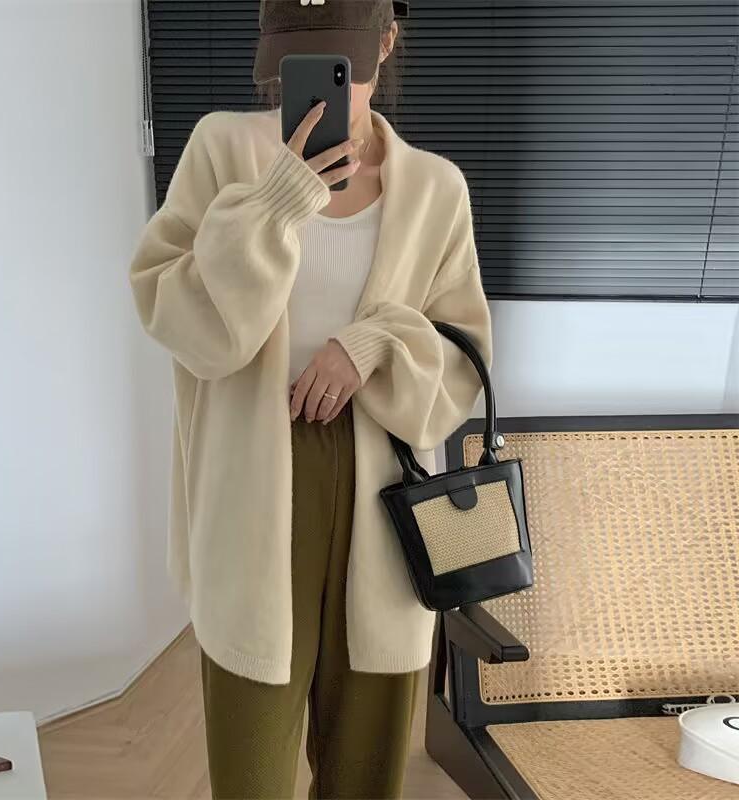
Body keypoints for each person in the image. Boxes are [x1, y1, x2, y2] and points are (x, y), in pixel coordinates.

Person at [128, 1, 493, 797]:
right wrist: (275, 202)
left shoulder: (435, 188)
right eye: (297, 62)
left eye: (345, 62)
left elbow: (464, 358)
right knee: (251, 768)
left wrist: (373, 344)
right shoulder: (223, 149)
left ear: (386, 42)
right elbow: (177, 315)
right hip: (253, 480)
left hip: (387, 492)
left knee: (365, 767)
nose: (328, 86)